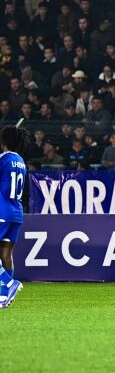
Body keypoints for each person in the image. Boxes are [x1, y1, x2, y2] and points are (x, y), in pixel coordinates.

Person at [0, 127, 29, 307]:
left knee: (4, 253)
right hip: (16, 213)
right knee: (6, 254)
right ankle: (4, 296)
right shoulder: (21, 162)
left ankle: (10, 284)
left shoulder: (3, 159)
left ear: (3, 141)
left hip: (2, 211)